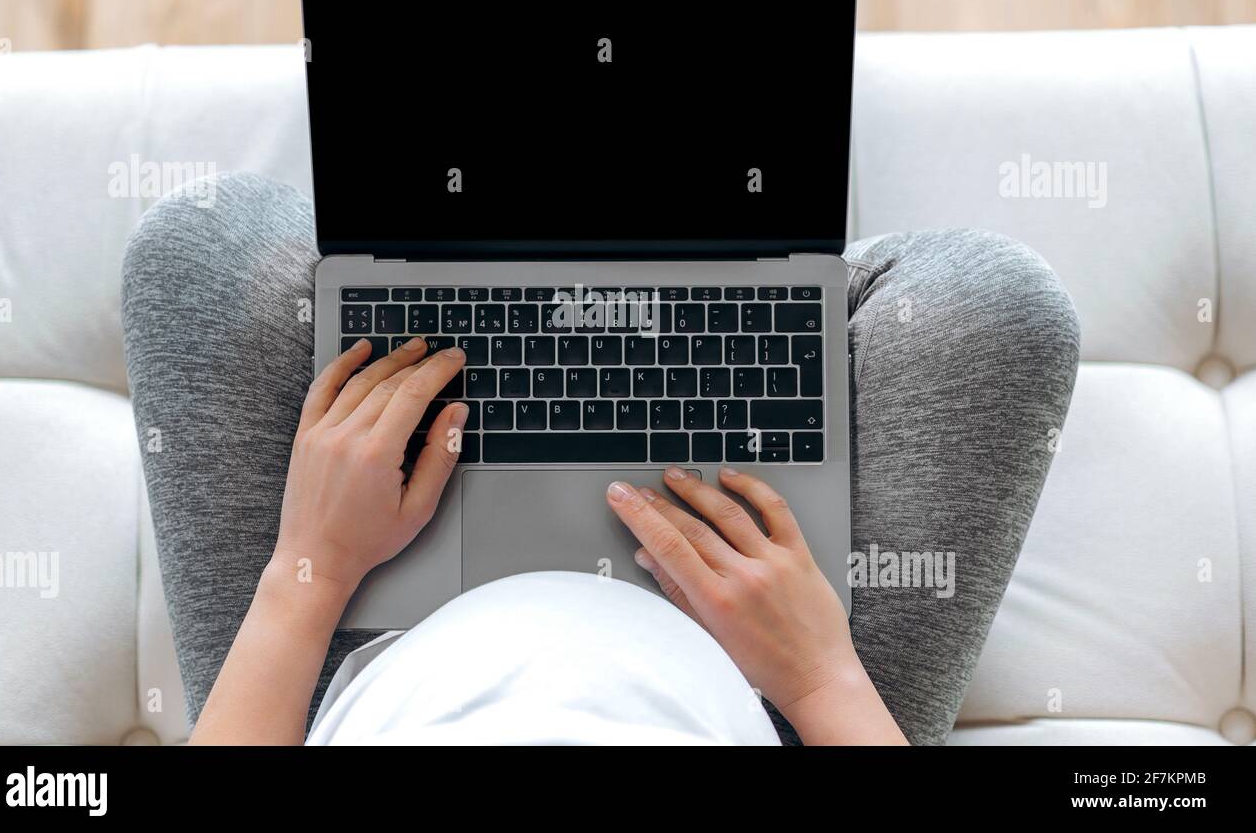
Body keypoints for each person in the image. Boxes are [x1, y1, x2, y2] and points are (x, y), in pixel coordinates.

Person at [122, 173, 1080, 745]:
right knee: (996, 309)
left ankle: (551, 268)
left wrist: (312, 569)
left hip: (359, 649)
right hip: (762, 678)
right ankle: (707, 268)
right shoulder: (802, 675)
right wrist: (823, 677)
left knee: (203, 242)